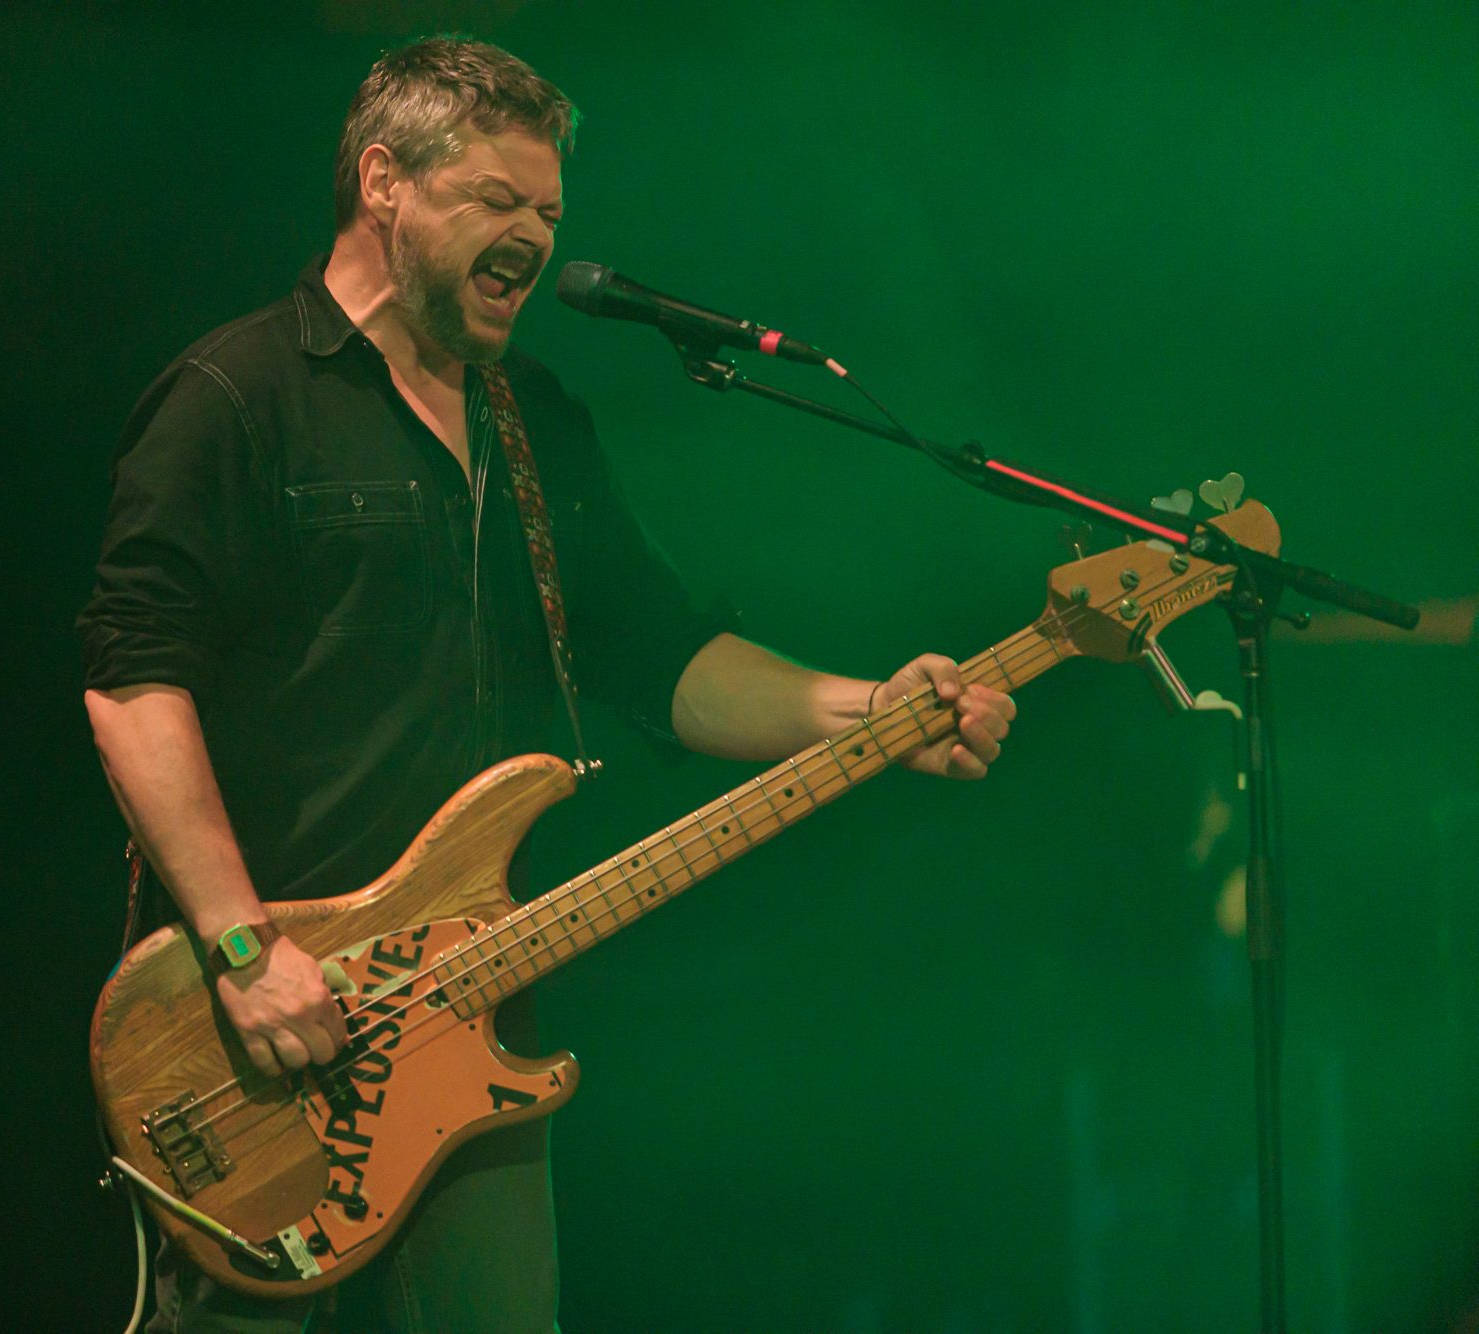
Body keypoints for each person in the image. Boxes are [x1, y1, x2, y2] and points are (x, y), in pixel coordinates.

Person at [78, 35, 1015, 1334]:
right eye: (496, 199)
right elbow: (135, 683)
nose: (533, 234)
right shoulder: (236, 398)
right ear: (383, 183)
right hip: (262, 1039)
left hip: (469, 1031)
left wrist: (875, 712)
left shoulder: (536, 420)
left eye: (551, 211)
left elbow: (661, 657)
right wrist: (245, 949)